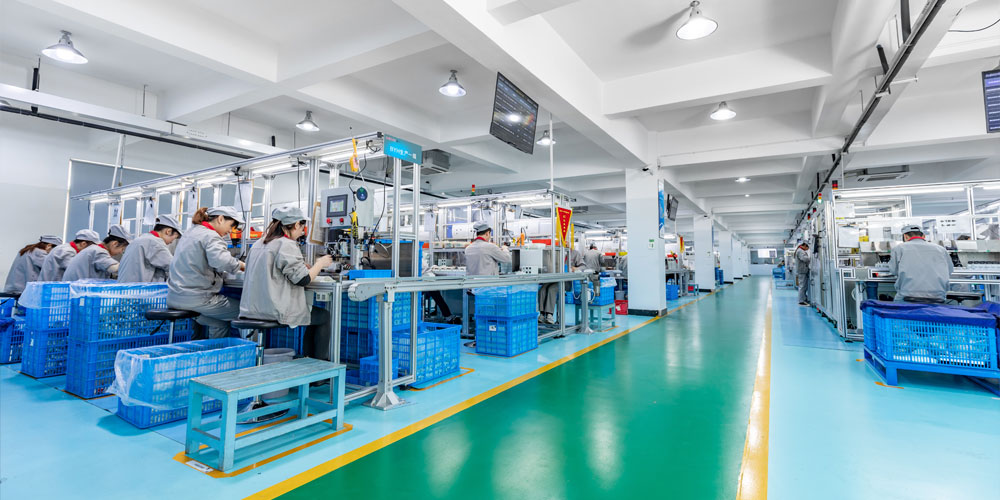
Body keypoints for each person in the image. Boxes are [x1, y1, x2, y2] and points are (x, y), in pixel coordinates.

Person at [240, 206, 334, 358]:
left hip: (251, 309)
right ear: (296, 225)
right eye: (302, 227)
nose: (303, 232)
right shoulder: (286, 244)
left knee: (315, 316)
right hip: (275, 310)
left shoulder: (258, 244)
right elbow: (303, 280)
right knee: (323, 316)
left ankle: (309, 362)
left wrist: (301, 266)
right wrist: (320, 263)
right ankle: (316, 368)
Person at [167, 206, 245, 339]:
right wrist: (241, 265)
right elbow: (221, 261)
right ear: (220, 219)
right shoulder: (211, 235)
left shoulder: (191, 232)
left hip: (175, 297)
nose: (230, 231)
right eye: (231, 225)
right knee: (248, 313)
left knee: (219, 322)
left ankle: (214, 355)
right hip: (197, 299)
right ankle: (253, 353)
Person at [888, 225, 953, 303]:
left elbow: (893, 271)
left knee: (897, 308)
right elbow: (949, 270)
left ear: (905, 236)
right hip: (937, 296)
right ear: (923, 236)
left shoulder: (899, 248)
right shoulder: (941, 249)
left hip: (908, 295)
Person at [117, 215, 182, 283]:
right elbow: (174, 266)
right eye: (174, 238)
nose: (172, 242)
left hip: (127, 289)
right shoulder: (155, 243)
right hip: (139, 290)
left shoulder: (141, 239)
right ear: (168, 231)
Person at [63, 226, 131, 281]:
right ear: (115, 243)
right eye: (122, 249)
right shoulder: (98, 251)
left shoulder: (93, 249)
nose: (121, 252)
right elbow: (114, 268)